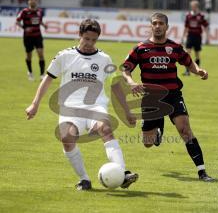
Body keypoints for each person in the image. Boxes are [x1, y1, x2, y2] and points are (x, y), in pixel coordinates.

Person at [25, 19, 138, 190]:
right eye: (86, 38)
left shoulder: (104, 59)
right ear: (79, 35)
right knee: (66, 138)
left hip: (95, 106)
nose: (89, 43)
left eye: (93, 40)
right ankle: (84, 179)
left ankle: (122, 174)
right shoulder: (64, 56)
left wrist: (127, 111)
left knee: (106, 128)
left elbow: (115, 86)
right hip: (69, 108)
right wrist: (35, 104)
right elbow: (47, 80)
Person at [122, 12, 213, 182]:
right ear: (151, 26)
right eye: (154, 23)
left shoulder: (175, 47)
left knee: (185, 129)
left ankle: (202, 172)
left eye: (161, 23)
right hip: (150, 97)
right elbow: (125, 68)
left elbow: (188, 62)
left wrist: (198, 71)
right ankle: (157, 131)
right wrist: (131, 82)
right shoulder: (140, 48)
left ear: (167, 26)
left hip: (172, 95)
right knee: (148, 143)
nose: (157, 26)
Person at [16, 0, 47, 81]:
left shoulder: (40, 11)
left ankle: (42, 74)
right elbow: (17, 21)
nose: (33, 1)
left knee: (40, 54)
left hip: (38, 36)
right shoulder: (24, 12)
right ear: (28, 1)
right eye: (31, 0)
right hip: (28, 37)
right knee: (29, 56)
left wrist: (44, 25)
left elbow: (39, 20)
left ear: (36, 1)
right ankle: (30, 72)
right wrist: (24, 28)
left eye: (34, 0)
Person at [181, 0, 209, 76]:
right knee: (188, 53)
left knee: (197, 54)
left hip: (197, 37)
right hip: (190, 36)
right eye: (192, 6)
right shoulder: (188, 16)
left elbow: (205, 26)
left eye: (194, 6)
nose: (193, 8)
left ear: (197, 7)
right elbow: (186, 27)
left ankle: (198, 71)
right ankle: (187, 71)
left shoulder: (201, 16)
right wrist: (183, 37)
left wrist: (207, 37)